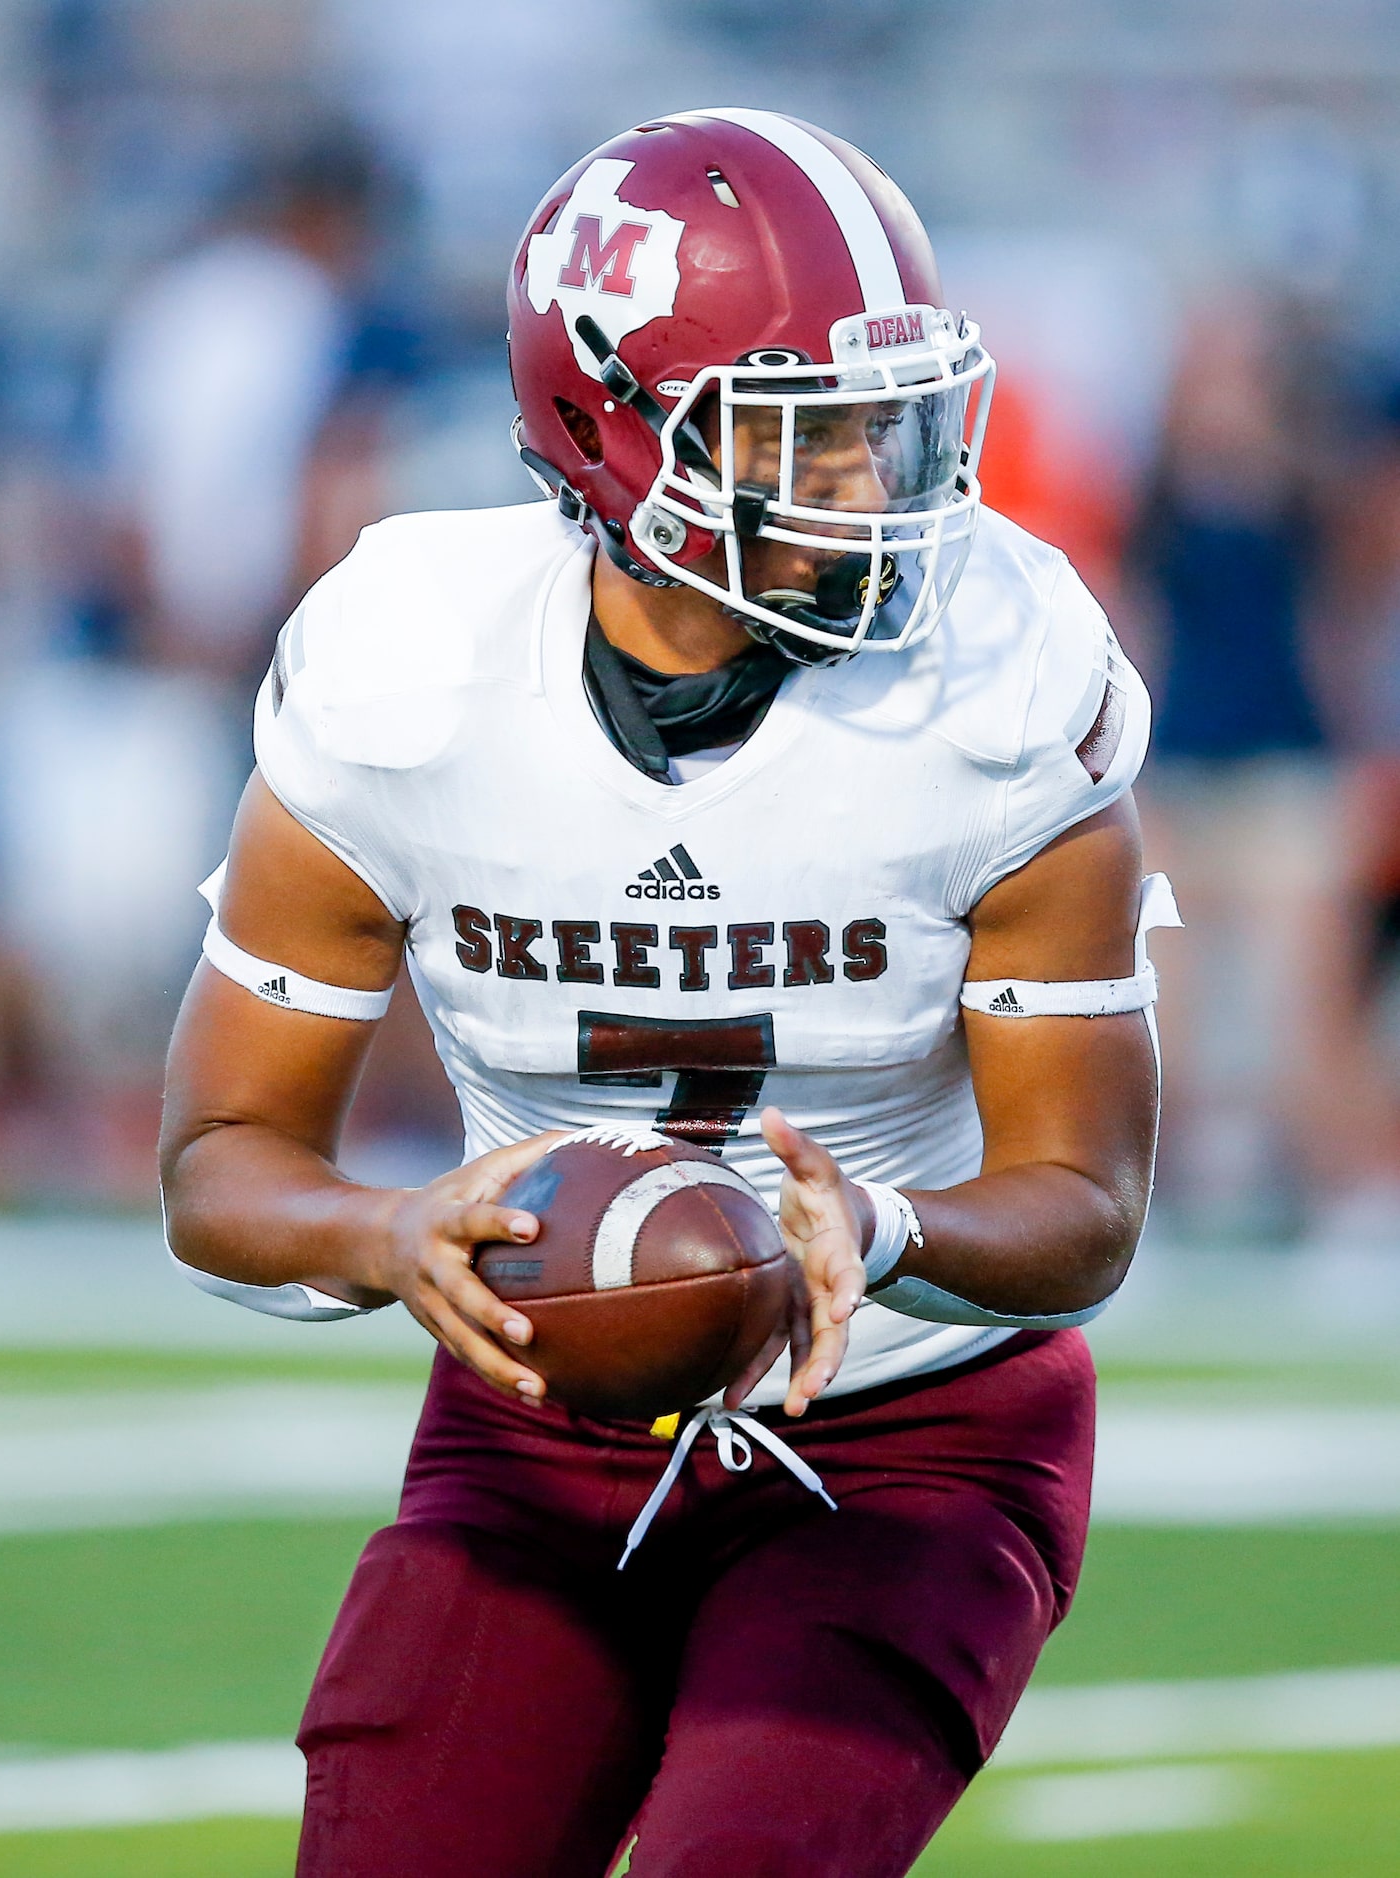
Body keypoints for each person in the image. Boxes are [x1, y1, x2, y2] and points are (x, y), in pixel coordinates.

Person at [160, 109, 1173, 1878]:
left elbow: (1087, 1208)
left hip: (919, 1427)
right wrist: (394, 1234)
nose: (889, 488)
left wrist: (884, 1219)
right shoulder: (409, 666)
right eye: (814, 436)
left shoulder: (1000, 682)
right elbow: (219, 1158)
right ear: (612, 426)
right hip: (541, 1418)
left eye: (898, 422)